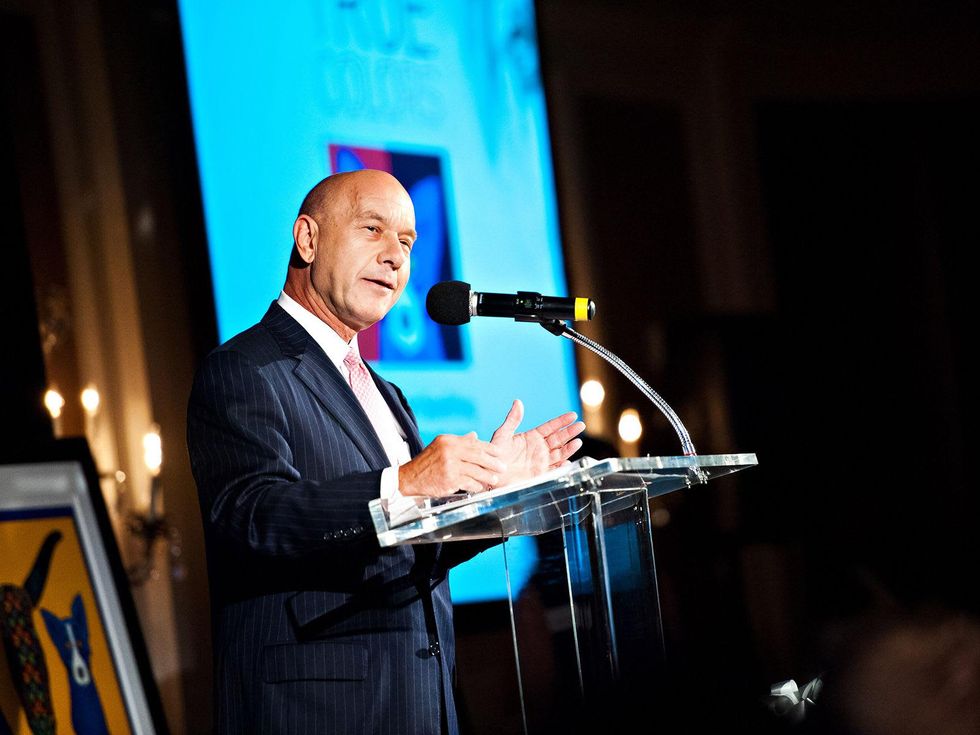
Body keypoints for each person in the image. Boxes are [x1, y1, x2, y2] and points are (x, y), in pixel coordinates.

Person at [186, 169, 584, 734]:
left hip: (420, 703)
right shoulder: (245, 370)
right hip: (318, 712)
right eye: (373, 229)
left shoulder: (385, 393)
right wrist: (402, 483)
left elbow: (406, 553)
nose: (395, 257)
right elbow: (253, 517)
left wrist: (494, 495)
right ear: (308, 240)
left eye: (407, 242)